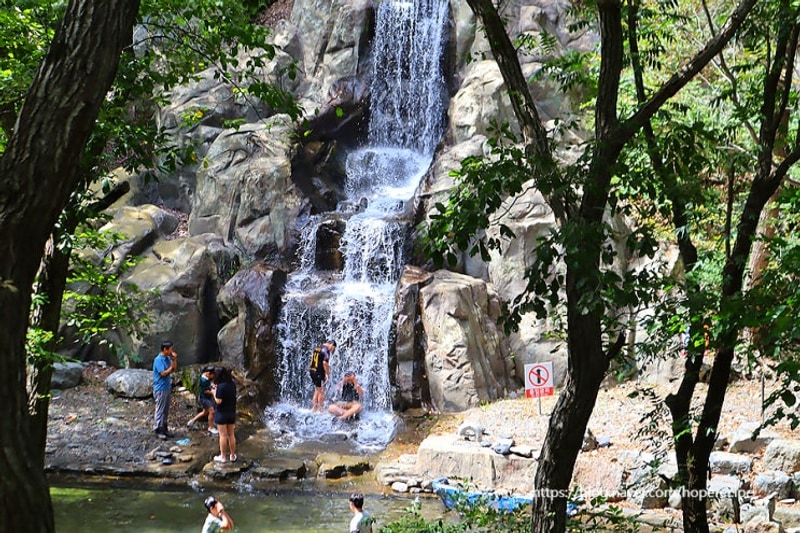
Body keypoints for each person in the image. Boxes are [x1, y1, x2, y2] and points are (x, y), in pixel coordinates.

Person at [152, 340, 178, 439]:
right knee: (160, 409)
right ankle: (158, 429)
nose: (172, 351)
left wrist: (174, 360)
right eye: (170, 349)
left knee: (165, 409)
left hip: (167, 387)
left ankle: (164, 428)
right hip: (160, 388)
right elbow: (163, 373)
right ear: (165, 349)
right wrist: (171, 367)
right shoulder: (158, 360)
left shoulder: (167, 358)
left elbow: (174, 369)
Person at [211, 366, 237, 463]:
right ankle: (233, 455)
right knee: (231, 434)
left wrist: (214, 392)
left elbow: (218, 401)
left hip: (221, 414)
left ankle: (223, 457)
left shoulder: (221, 386)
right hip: (231, 412)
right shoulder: (232, 384)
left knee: (222, 435)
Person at [187, 366, 218, 434]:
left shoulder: (205, 376)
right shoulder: (203, 380)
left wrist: (212, 385)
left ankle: (192, 421)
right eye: (213, 375)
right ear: (209, 373)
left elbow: (209, 384)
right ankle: (211, 427)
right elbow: (205, 391)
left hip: (206, 398)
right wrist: (213, 392)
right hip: (204, 398)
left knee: (205, 412)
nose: (213, 376)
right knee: (211, 411)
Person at [309, 339, 336, 412]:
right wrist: (327, 374)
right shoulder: (326, 350)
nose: (332, 350)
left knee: (317, 390)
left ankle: (314, 408)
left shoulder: (318, 347)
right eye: (333, 348)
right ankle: (320, 410)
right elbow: (325, 363)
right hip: (318, 372)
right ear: (331, 344)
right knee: (321, 391)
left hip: (312, 370)